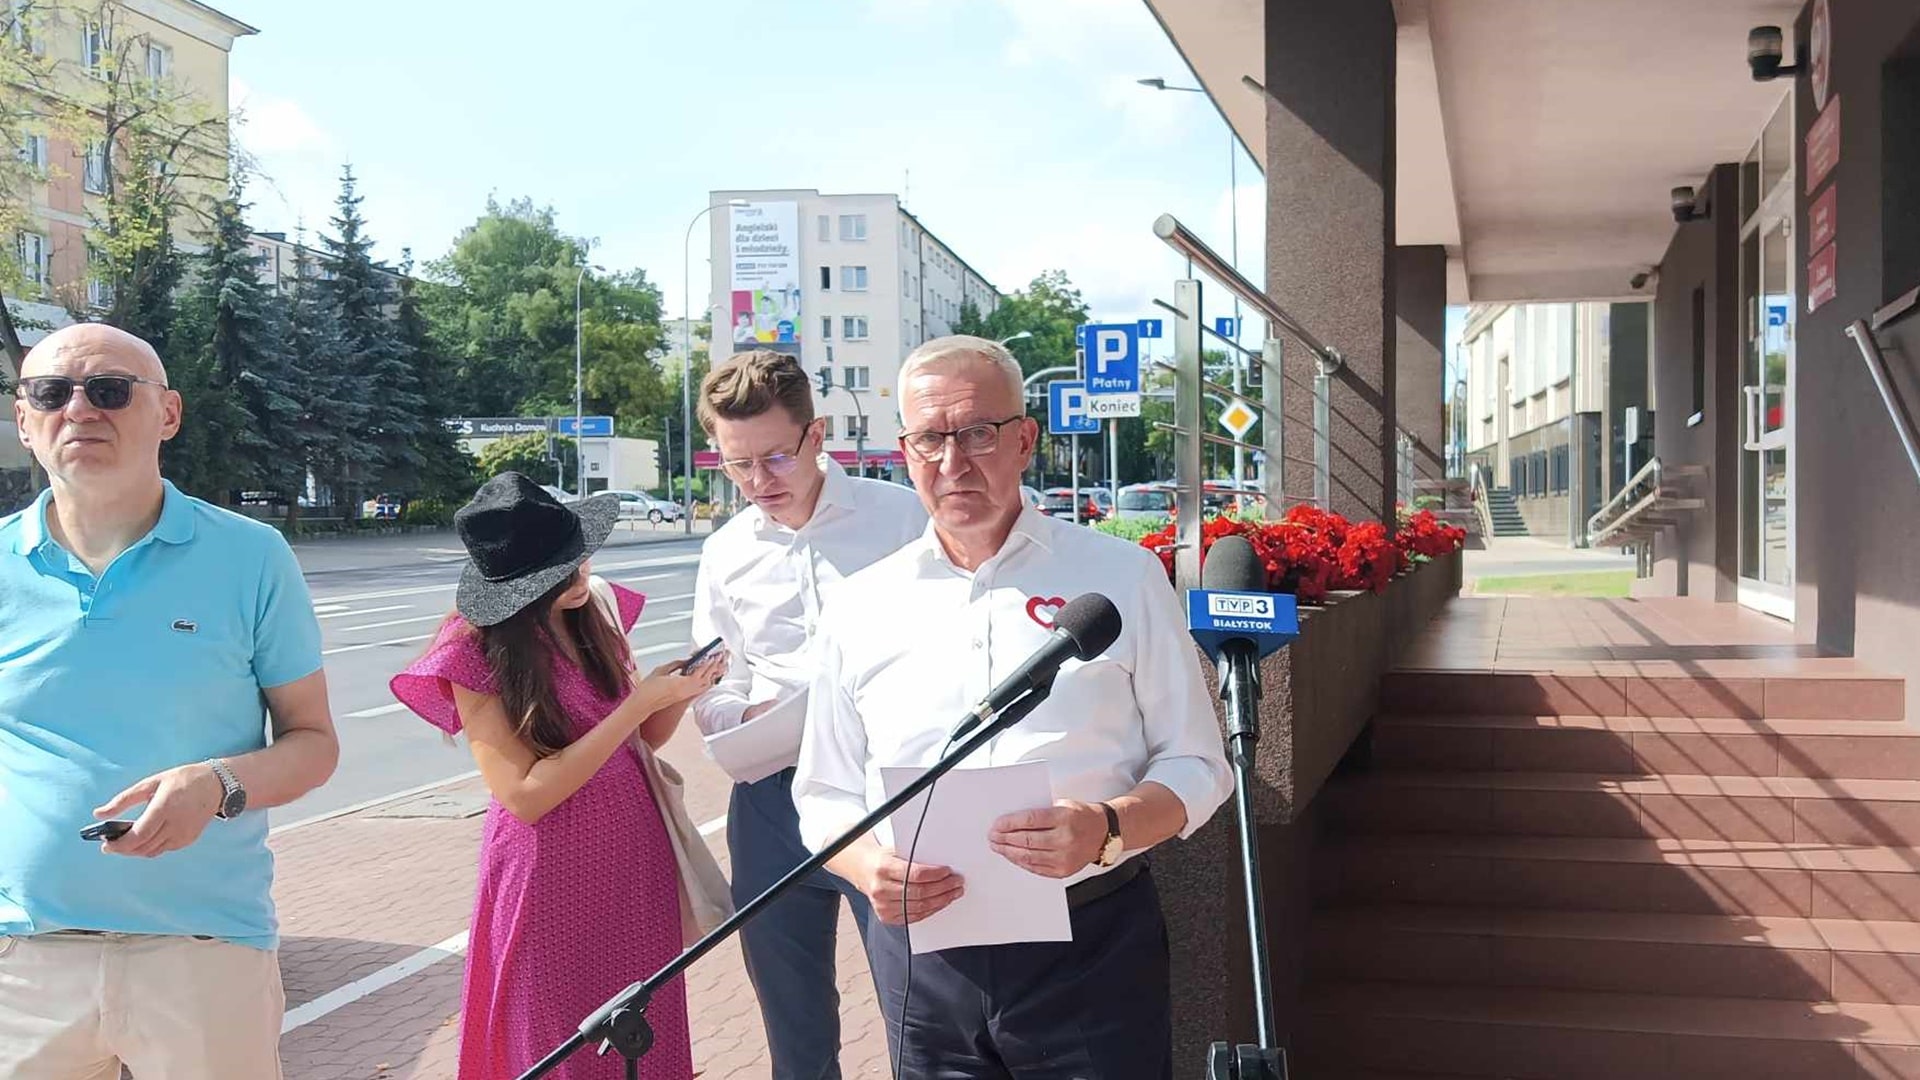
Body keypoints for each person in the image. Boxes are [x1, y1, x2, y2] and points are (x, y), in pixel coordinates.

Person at [793, 335, 1233, 1078]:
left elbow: (1199, 763)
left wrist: (1105, 828)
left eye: (977, 433)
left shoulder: (1119, 576)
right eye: (930, 438)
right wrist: (867, 866)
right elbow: (824, 789)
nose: (952, 462)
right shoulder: (860, 605)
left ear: (1025, 439)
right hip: (923, 958)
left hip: (1089, 942)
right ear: (905, 450)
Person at [0, 323, 338, 1079]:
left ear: (169, 415)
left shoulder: (251, 556)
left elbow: (314, 743)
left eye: (111, 390)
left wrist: (216, 785)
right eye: (51, 393)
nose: (80, 409)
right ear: (25, 422)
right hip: (22, 965)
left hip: (203, 955)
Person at [389, 472, 726, 1080]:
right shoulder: (475, 654)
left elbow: (640, 739)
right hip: (550, 876)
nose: (585, 570)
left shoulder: (590, 615)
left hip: (632, 862)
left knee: (642, 1035)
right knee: (562, 1042)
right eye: (567, 565)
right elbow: (523, 795)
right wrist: (638, 704)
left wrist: (674, 695)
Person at [689, 349, 926, 1079]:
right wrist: (738, 714)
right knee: (793, 1028)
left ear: (817, 435)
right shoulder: (726, 551)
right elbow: (712, 683)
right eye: (737, 466)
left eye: (777, 458)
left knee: (917, 1012)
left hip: (882, 793)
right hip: (768, 804)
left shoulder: (904, 518)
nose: (760, 482)